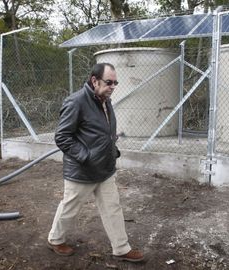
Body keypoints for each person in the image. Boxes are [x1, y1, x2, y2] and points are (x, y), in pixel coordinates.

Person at [47, 63, 144, 262]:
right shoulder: (76, 102)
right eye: (109, 82)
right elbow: (63, 137)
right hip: (82, 171)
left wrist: (111, 149)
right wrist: (86, 157)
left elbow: (103, 131)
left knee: (113, 208)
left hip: (105, 169)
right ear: (94, 80)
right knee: (70, 207)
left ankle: (121, 248)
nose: (113, 86)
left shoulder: (105, 100)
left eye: (115, 83)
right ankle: (55, 239)